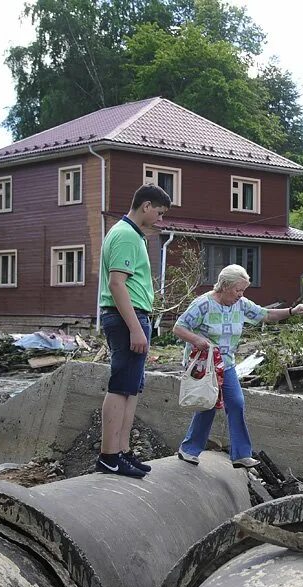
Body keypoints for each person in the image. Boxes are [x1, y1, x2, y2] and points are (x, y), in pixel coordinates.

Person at [173, 264, 303, 467]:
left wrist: (293, 311)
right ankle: (189, 450)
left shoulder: (240, 304)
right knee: (208, 405)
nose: (241, 294)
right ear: (225, 286)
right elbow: (179, 328)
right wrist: (197, 340)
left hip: (226, 364)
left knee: (236, 403)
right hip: (204, 365)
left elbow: (266, 315)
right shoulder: (203, 304)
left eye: (243, 290)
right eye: (238, 290)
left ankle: (240, 455)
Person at [95, 184, 171, 478]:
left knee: (131, 388)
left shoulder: (131, 235)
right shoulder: (126, 235)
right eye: (160, 213)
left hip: (136, 317)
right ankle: (109, 456)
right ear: (146, 206)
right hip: (127, 318)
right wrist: (135, 329)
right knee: (120, 386)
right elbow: (117, 284)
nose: (160, 220)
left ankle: (123, 451)